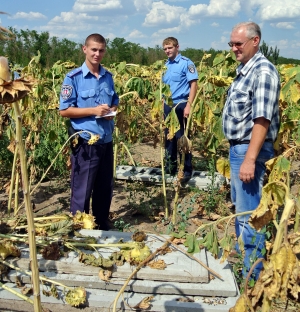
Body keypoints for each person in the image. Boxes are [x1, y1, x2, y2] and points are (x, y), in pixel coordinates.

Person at [222, 22, 280, 280]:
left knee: (250, 218)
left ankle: (251, 280)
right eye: (231, 44)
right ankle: (243, 269)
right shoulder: (246, 70)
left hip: (249, 152)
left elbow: (262, 120)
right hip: (240, 150)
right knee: (242, 213)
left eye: (238, 44)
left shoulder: (263, 71)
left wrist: (250, 159)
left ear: (255, 41)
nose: (234, 48)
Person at [59, 33, 119, 230]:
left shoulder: (108, 77)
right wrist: (93, 111)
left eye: (101, 50)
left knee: (104, 188)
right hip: (85, 141)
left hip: (106, 139)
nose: (97, 54)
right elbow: (64, 110)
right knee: (82, 189)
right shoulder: (73, 78)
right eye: (94, 49)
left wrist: (111, 112)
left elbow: (115, 102)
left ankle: (101, 225)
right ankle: (79, 227)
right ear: (84, 49)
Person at [162, 37, 198, 182]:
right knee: (169, 138)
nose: (167, 51)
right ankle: (170, 168)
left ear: (177, 47)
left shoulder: (187, 63)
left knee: (182, 138)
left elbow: (193, 84)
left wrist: (189, 104)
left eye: (170, 48)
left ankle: (186, 170)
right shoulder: (165, 65)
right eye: (165, 49)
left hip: (181, 104)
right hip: (167, 105)